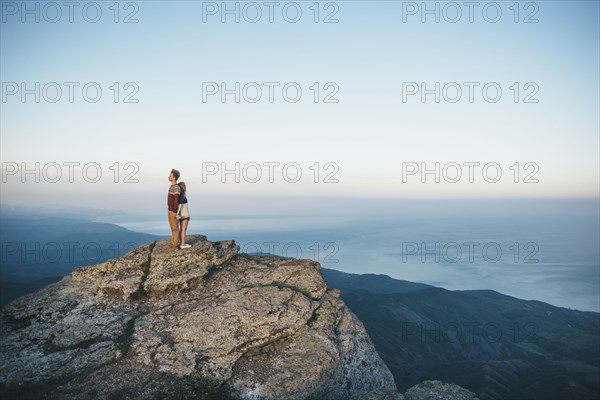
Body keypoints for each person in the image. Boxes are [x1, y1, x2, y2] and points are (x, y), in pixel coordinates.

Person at [167, 169, 181, 249]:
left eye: (170, 175)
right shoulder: (172, 187)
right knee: (172, 228)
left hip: (173, 211)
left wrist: (175, 211)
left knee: (175, 228)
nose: (168, 177)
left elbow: (176, 200)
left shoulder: (176, 187)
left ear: (174, 177)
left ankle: (175, 245)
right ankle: (173, 243)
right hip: (170, 210)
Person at [177, 181, 191, 249]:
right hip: (184, 215)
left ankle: (181, 243)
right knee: (183, 229)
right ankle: (183, 244)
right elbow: (180, 205)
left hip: (181, 215)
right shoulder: (182, 194)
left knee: (181, 229)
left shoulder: (179, 195)